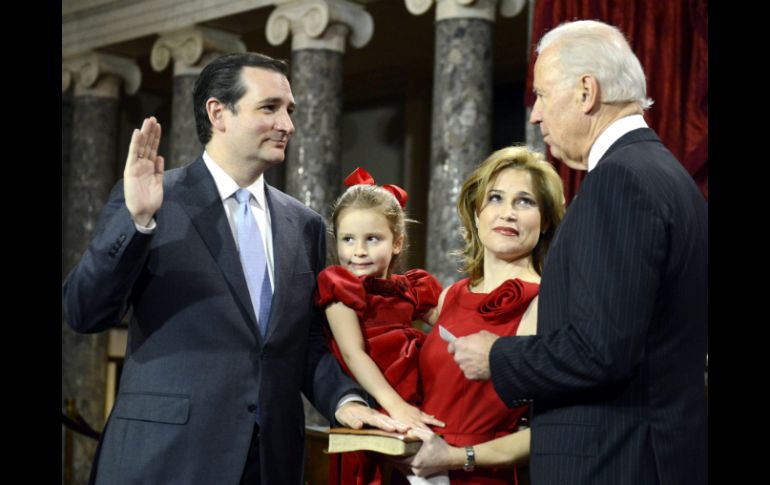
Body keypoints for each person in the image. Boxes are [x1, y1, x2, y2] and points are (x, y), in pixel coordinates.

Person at [62, 52, 402, 485]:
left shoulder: (306, 225)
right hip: (163, 461)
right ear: (218, 113)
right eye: (270, 108)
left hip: (270, 463)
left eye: (290, 110)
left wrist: (345, 401)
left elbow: (307, 343)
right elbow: (84, 312)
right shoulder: (152, 198)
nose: (288, 125)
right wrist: (138, 221)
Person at [450, 20, 708, 485]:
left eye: (543, 95)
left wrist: (498, 357)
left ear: (586, 91)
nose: (535, 115)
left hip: (614, 462)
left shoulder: (621, 180)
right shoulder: (669, 177)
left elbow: (601, 348)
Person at [405, 146, 565, 484]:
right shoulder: (451, 295)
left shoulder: (549, 302)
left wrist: (459, 457)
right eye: (495, 198)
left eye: (525, 201)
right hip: (419, 472)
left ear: (546, 221)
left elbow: (551, 428)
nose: (507, 213)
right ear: (476, 213)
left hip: (484, 474)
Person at [316, 167, 445, 485]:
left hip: (417, 399)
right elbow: (353, 353)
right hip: (375, 401)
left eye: (372, 239)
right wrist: (395, 406)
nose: (358, 250)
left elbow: (452, 327)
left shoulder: (412, 287)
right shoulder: (339, 287)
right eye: (348, 239)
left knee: (437, 469)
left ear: (397, 242)